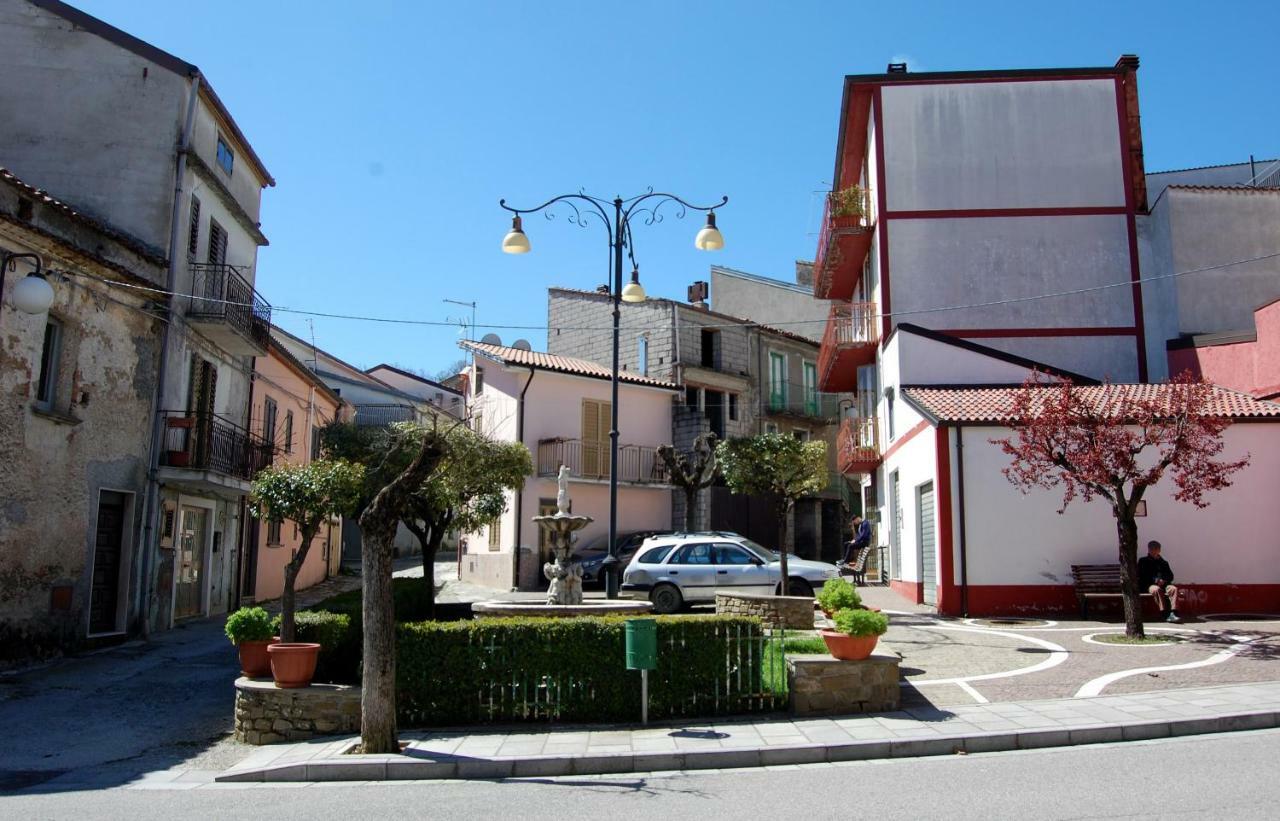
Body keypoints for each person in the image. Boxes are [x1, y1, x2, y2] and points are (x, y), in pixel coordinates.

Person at [1137, 540, 1180, 623]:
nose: (1154, 551)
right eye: (1152, 549)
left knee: (1173, 589)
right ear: (1148, 550)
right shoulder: (1143, 561)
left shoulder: (1164, 562)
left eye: (1156, 549)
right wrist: (1155, 580)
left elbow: (1171, 576)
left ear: (1159, 550)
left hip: (1164, 584)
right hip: (1149, 585)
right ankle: (1164, 613)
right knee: (1157, 589)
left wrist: (1164, 580)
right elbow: (1142, 576)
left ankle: (1174, 613)